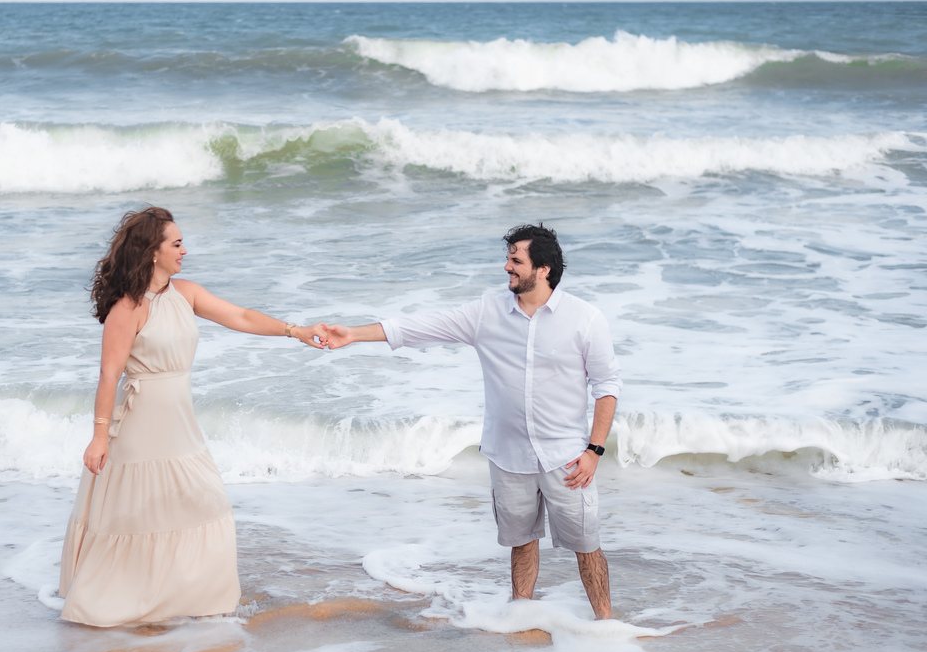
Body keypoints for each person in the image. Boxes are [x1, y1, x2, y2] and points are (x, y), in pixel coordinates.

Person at [323, 224, 621, 619]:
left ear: (544, 269)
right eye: (508, 259)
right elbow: (422, 327)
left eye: (516, 260)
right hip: (507, 455)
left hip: (567, 458)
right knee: (522, 541)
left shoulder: (585, 319)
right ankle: (519, 619)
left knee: (586, 545)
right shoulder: (487, 313)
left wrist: (594, 451)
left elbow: (607, 386)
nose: (506, 267)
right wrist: (354, 335)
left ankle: (606, 624)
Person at [59, 206, 326, 627]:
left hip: (179, 419)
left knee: (206, 503)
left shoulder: (185, 293)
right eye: (176, 243)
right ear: (152, 252)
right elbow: (109, 373)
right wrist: (98, 437)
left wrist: (295, 331)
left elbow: (241, 316)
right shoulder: (127, 309)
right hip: (142, 422)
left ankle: (194, 600)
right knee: (139, 514)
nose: (185, 250)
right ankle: (117, 603)